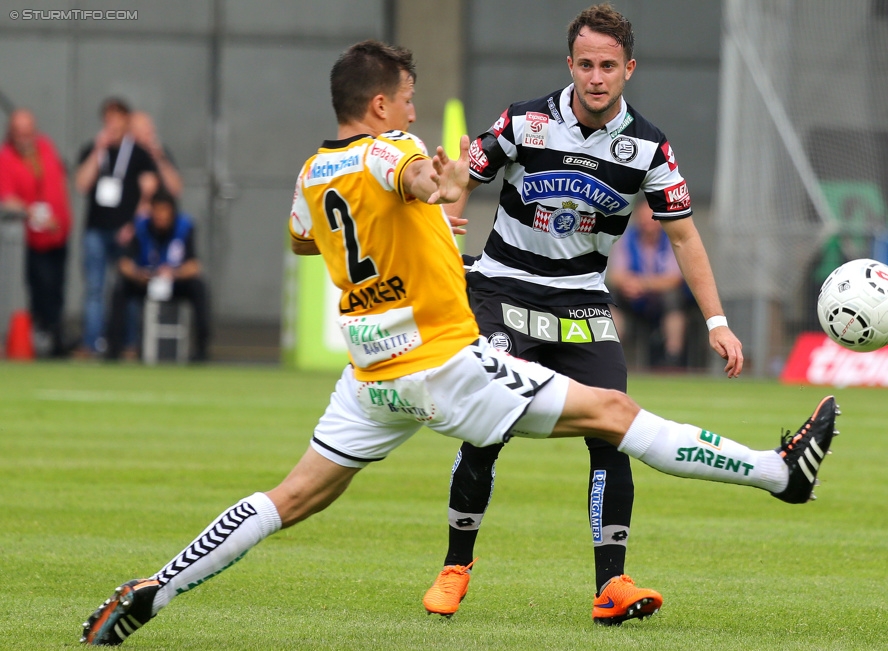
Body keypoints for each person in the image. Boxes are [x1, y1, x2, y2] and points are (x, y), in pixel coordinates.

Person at [80, 39, 838, 646]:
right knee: (614, 412)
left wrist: (417, 221)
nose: (412, 107)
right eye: (406, 98)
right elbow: (410, 173)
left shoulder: (314, 172)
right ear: (380, 106)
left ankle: (158, 585)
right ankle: (780, 473)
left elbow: (306, 239)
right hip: (442, 361)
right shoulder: (390, 151)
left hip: (371, 371)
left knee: (291, 495)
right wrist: (433, 187)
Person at [422, 4, 742, 625]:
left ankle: (611, 584)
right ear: (570, 65)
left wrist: (717, 322)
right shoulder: (525, 121)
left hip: (581, 301)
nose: (597, 77)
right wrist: (449, 188)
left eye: (609, 66)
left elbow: (684, 237)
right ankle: (456, 565)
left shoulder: (648, 145)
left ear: (629, 70)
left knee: (613, 430)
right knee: (488, 428)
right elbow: (465, 180)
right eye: (586, 64)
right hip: (502, 290)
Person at [74, 98, 158, 357]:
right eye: (108, 118)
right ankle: (92, 343)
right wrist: (98, 152)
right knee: (95, 289)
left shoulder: (138, 153)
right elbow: (82, 184)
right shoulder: (94, 150)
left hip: (125, 231)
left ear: (126, 120)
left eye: (117, 118)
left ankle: (128, 344)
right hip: (96, 229)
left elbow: (149, 190)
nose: (112, 124)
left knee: (127, 288)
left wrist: (134, 224)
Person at [105, 188, 209, 362]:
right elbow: (123, 264)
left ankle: (201, 350)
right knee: (120, 287)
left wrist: (173, 273)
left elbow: (194, 266)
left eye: (165, 211)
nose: (160, 216)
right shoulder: (140, 226)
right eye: (157, 211)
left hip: (174, 283)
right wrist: (140, 275)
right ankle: (114, 349)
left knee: (198, 287)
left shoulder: (185, 227)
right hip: (146, 281)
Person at [0, 109, 72, 357]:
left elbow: (57, 181)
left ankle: (56, 335)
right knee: (42, 288)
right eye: (20, 132)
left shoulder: (45, 147)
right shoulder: (7, 158)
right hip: (33, 238)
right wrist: (37, 215)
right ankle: (48, 338)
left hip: (59, 234)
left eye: (28, 132)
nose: (25, 137)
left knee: (58, 288)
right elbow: (8, 198)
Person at [608, 201, 689, 368]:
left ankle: (672, 358)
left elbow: (674, 279)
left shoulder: (671, 241)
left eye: (651, 219)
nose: (647, 224)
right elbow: (615, 275)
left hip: (662, 301)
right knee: (611, 299)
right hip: (633, 299)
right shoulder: (626, 239)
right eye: (643, 219)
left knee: (674, 299)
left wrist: (643, 284)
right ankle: (610, 355)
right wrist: (629, 285)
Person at [129, 111, 183, 217]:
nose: (150, 130)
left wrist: (160, 159)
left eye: (150, 126)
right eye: (144, 127)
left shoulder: (160, 154)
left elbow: (176, 189)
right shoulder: (126, 156)